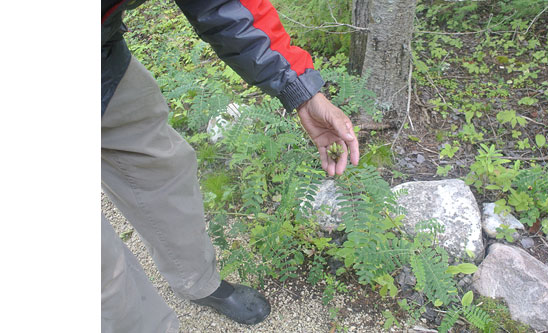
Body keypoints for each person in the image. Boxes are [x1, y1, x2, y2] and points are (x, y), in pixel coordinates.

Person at [101, 0, 360, 331]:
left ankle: (199, 283)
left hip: (101, 55)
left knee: (164, 167)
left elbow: (225, 5)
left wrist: (300, 91)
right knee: (101, 273)